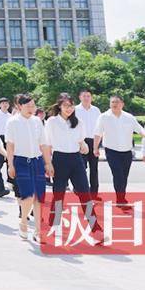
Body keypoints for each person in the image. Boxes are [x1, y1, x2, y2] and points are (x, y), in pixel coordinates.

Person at [43, 93, 99, 240]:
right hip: (59, 159)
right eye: (66, 106)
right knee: (59, 194)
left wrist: (85, 147)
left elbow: (82, 142)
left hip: (76, 160)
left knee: (85, 193)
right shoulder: (52, 122)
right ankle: (54, 224)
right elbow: (47, 145)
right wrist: (48, 164)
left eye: (71, 106)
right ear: (59, 106)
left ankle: (95, 228)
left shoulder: (78, 122)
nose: (69, 109)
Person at [92, 95, 145, 205]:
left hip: (127, 151)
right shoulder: (104, 117)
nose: (114, 104)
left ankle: (121, 195)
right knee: (118, 174)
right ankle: (120, 199)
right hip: (111, 150)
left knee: (124, 176)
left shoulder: (129, 117)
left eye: (117, 102)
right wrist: (95, 148)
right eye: (112, 102)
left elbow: (139, 129)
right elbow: (97, 133)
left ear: (122, 104)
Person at [5, 94, 49, 241]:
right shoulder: (12, 122)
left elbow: (43, 143)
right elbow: (10, 145)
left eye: (33, 106)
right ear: (19, 107)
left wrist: (48, 163)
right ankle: (23, 221)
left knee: (39, 197)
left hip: (37, 161)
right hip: (21, 161)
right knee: (28, 195)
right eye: (28, 106)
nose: (31, 109)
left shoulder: (37, 121)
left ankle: (38, 231)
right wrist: (10, 165)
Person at [75, 89, 103, 196]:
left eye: (88, 96)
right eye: (84, 96)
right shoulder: (75, 110)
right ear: (80, 97)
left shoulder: (96, 110)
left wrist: (99, 142)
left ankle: (94, 192)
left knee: (94, 167)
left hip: (94, 141)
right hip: (80, 141)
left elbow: (100, 127)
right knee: (81, 167)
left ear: (91, 97)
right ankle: (80, 189)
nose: (86, 98)